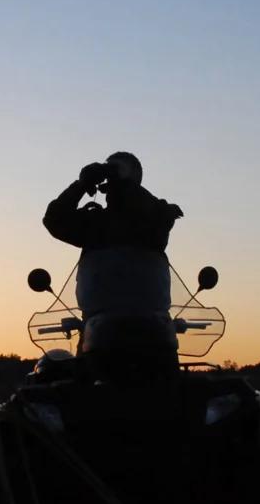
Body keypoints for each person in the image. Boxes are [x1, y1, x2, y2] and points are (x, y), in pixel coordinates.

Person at [43, 152, 184, 383]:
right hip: (97, 330)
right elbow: (54, 220)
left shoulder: (156, 217)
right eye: (108, 172)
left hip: (154, 331)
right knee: (77, 398)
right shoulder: (97, 224)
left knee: (175, 397)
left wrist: (125, 185)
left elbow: (151, 214)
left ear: (136, 179)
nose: (111, 177)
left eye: (117, 170)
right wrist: (81, 185)